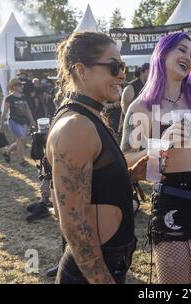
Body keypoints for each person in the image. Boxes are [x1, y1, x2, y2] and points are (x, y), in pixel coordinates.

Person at [121, 32, 191, 284]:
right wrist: (161, 144)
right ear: (163, 53)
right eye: (182, 50)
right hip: (174, 193)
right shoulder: (141, 106)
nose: (188, 57)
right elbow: (126, 158)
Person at [46, 31, 148, 284]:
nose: (122, 74)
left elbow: (91, 186)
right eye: (114, 66)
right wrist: (101, 279)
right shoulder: (76, 126)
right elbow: (72, 220)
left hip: (109, 260)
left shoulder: (87, 116)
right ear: (82, 70)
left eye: (123, 66)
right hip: (91, 271)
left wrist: (130, 175)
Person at [0, 78, 35, 167]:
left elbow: (27, 110)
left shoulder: (23, 96)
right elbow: (4, 112)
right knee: (20, 140)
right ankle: (22, 161)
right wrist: (1, 124)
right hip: (14, 121)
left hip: (24, 121)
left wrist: (32, 120)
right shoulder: (9, 98)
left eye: (21, 85)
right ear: (13, 86)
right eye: (19, 85)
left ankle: (7, 152)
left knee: (21, 141)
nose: (21, 86)